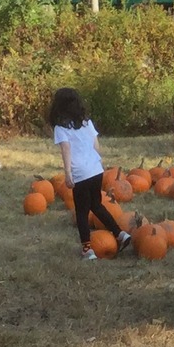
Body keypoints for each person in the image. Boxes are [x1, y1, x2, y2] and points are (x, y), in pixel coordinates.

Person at [49, 87, 129, 259]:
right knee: (97, 205)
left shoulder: (61, 128)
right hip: (95, 170)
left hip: (81, 173)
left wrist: (68, 173)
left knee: (81, 213)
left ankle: (87, 250)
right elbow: (96, 146)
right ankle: (120, 234)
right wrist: (97, 163)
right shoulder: (86, 122)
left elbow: (66, 150)